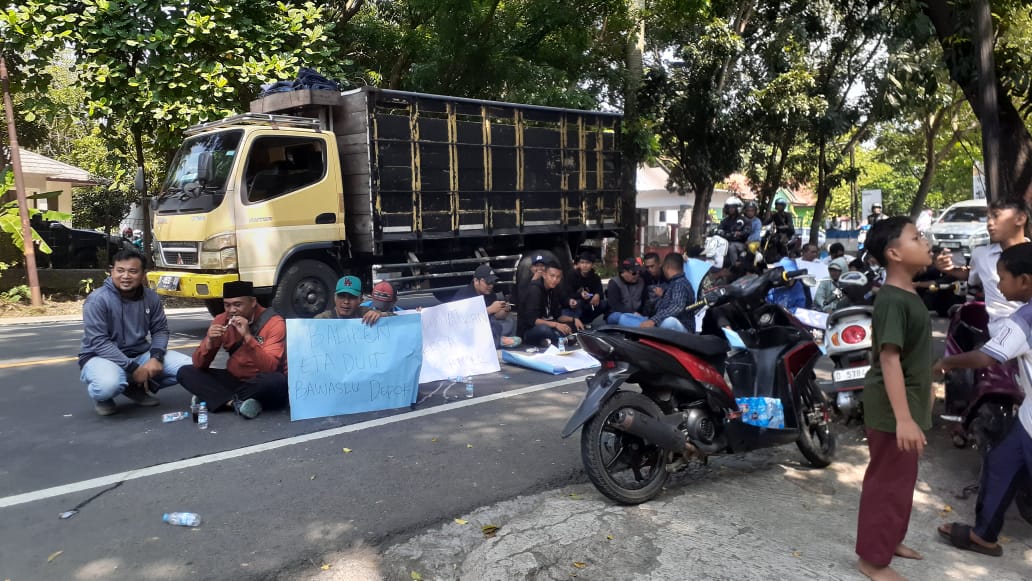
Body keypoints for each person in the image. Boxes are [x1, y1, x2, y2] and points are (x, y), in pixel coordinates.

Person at [932, 242, 1032, 559]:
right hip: (1029, 416)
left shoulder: (1025, 319)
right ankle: (983, 535)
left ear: (1025, 280)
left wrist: (947, 363)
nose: (998, 285)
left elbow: (988, 357)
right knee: (1001, 462)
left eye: (1002, 278)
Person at [853, 216, 933, 581]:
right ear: (894, 253)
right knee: (885, 483)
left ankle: (890, 540)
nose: (926, 242)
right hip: (891, 409)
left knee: (902, 480)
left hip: (910, 404)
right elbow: (888, 359)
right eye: (916, 238)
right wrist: (903, 418)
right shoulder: (890, 300)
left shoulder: (910, 292)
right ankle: (872, 560)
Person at [78, 249, 192, 416]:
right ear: (112, 271)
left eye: (132, 271)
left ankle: (133, 387)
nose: (125, 276)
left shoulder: (151, 298)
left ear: (143, 274)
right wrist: (133, 368)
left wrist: (156, 357)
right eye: (120, 270)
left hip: (139, 353)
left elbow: (160, 330)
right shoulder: (97, 300)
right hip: (100, 356)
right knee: (108, 385)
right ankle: (103, 397)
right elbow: (99, 342)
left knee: (190, 368)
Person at [176, 281, 287, 420]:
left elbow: (269, 367)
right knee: (185, 372)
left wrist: (247, 337)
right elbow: (199, 365)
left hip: (260, 380)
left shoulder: (274, 323)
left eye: (237, 305)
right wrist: (209, 342)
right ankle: (234, 402)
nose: (232, 311)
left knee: (277, 382)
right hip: (234, 378)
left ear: (253, 302)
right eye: (227, 305)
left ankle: (215, 398)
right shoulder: (221, 320)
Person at [936, 198, 1028, 331]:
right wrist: (949, 269)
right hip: (997, 336)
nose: (990, 223)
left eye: (996, 216)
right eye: (988, 218)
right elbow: (971, 275)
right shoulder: (981, 255)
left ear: (1020, 219)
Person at [615, 253, 695, 332]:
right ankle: (647, 330)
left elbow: (676, 307)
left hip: (680, 326)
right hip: (657, 319)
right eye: (647, 267)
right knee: (624, 317)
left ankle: (648, 330)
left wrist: (653, 321)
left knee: (669, 322)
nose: (650, 269)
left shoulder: (680, 284)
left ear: (667, 267)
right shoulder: (673, 283)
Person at [451, 264, 521, 348]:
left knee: (509, 321)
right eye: (487, 282)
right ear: (476, 281)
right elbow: (457, 319)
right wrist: (489, 309)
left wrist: (505, 309)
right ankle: (497, 341)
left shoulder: (490, 293)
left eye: (492, 282)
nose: (491, 286)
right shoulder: (464, 294)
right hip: (467, 330)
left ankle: (496, 339)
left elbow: (496, 316)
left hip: (487, 326)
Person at [517, 260, 583, 347]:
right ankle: (561, 340)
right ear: (544, 275)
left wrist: (574, 319)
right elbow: (533, 320)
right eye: (552, 276)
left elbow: (558, 316)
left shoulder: (554, 289)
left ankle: (549, 341)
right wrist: (556, 324)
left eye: (558, 277)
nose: (555, 280)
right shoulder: (535, 290)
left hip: (549, 324)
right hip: (530, 330)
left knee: (570, 325)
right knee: (545, 329)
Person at [315, 276, 387, 325]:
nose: (346, 302)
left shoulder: (365, 314)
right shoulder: (322, 320)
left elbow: (396, 321)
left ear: (361, 300)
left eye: (352, 297)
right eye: (342, 296)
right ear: (335, 297)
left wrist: (381, 315)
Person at [564, 251, 605, 326]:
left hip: (589, 303)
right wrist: (580, 294)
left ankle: (587, 321)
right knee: (579, 303)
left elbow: (600, 292)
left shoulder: (595, 278)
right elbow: (568, 293)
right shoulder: (571, 275)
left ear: (592, 265)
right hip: (576, 302)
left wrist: (597, 295)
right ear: (579, 264)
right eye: (582, 263)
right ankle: (575, 322)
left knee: (604, 304)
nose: (585, 265)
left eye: (587, 263)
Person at [605, 258, 646, 324]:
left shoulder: (641, 282)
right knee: (621, 317)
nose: (637, 275)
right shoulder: (614, 283)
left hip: (638, 315)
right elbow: (615, 306)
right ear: (624, 272)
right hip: (617, 314)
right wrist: (632, 313)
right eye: (634, 273)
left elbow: (645, 302)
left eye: (639, 272)